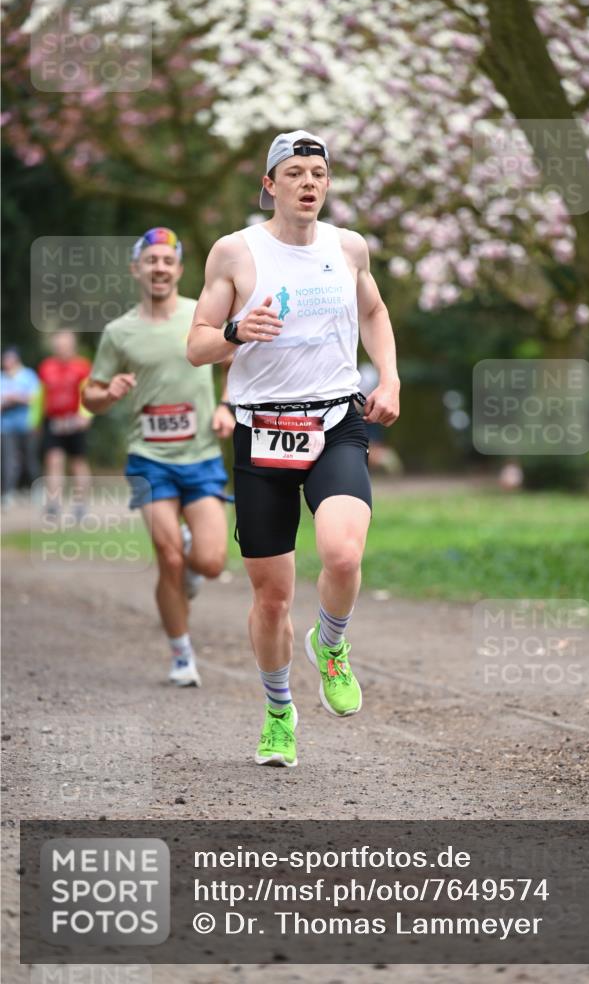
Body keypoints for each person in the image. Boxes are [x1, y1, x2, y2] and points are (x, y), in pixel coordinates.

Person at [188, 130, 400, 766]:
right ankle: (279, 711)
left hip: (336, 420)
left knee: (342, 553)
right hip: (261, 429)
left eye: (318, 173)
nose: (309, 183)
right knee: (272, 597)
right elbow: (197, 343)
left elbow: (376, 313)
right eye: (295, 173)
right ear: (269, 185)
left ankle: (330, 645)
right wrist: (234, 330)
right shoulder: (235, 253)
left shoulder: (349, 247)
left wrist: (388, 377)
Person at [83, 227, 235, 688]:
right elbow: (90, 394)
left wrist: (227, 405)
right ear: (137, 269)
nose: (160, 268)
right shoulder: (119, 332)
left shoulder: (199, 315)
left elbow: (234, 360)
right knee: (168, 558)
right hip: (149, 459)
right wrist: (106, 394)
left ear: (179, 269)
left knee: (210, 563)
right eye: (151, 261)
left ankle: (192, 558)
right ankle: (181, 653)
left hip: (202, 456)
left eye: (168, 261)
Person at [38, 330, 93, 518]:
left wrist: (86, 416)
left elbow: (89, 393)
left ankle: (80, 504)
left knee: (77, 462)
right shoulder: (46, 367)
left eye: (65, 344)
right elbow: (40, 396)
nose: (61, 348)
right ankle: (54, 503)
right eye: (58, 345)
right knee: (54, 460)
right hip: (53, 421)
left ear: (72, 345)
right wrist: (36, 421)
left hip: (75, 422)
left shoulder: (82, 366)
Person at [1, 346, 41, 503]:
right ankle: (8, 492)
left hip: (27, 424)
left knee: (30, 459)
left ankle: (35, 489)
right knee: (8, 460)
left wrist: (17, 398)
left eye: (10, 359)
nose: (7, 362)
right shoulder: (1, 378)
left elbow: (36, 398)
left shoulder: (29, 375)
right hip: (5, 425)